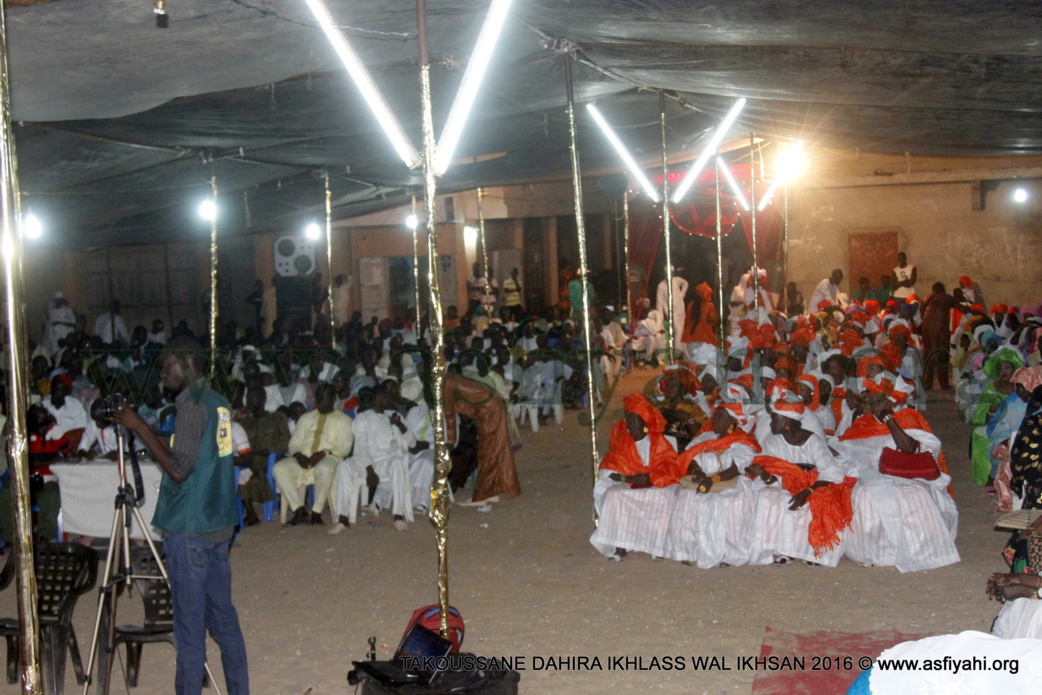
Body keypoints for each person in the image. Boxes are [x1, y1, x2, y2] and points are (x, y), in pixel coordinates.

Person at [112, 337, 249, 695]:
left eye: (167, 365)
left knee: (189, 629)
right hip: (217, 521)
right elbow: (199, 449)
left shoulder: (190, 405)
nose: (162, 373)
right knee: (223, 621)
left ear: (188, 363)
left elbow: (179, 469)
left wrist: (139, 426)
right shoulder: (218, 402)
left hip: (190, 528)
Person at [589, 393, 678, 561]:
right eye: (629, 421)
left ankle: (657, 545)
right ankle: (619, 545)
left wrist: (651, 477)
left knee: (665, 496)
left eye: (635, 421)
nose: (631, 425)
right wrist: (629, 479)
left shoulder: (657, 441)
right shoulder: (623, 441)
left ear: (645, 423)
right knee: (614, 496)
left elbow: (671, 465)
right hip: (628, 483)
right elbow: (609, 471)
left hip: (655, 482)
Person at [271, 383, 353, 526]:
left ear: (334, 399)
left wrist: (323, 453)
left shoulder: (344, 420)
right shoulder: (306, 418)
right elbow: (294, 442)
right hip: (304, 459)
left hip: (329, 458)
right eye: (319, 398)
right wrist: (298, 455)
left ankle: (316, 512)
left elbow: (344, 447)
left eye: (325, 398)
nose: (321, 401)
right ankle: (299, 510)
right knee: (279, 468)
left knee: (325, 468)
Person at [236, 386, 290, 526]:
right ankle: (250, 513)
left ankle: (252, 514)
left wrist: (268, 450)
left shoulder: (277, 418)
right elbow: (231, 437)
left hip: (269, 459)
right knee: (239, 469)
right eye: (248, 397)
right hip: (248, 461)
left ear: (263, 400)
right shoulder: (245, 422)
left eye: (253, 398)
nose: (249, 401)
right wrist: (236, 419)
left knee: (245, 470)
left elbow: (285, 442)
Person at [920, 281, 960, 390]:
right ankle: (944, 384)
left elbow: (921, 314)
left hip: (927, 331)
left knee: (928, 356)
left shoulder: (925, 299)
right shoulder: (946, 297)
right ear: (943, 290)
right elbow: (960, 307)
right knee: (943, 356)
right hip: (941, 331)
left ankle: (928, 383)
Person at [44, 291, 76, 357]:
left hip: (66, 334)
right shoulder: (51, 311)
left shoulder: (68, 310)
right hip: (54, 335)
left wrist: (59, 322)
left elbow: (73, 322)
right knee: (56, 353)